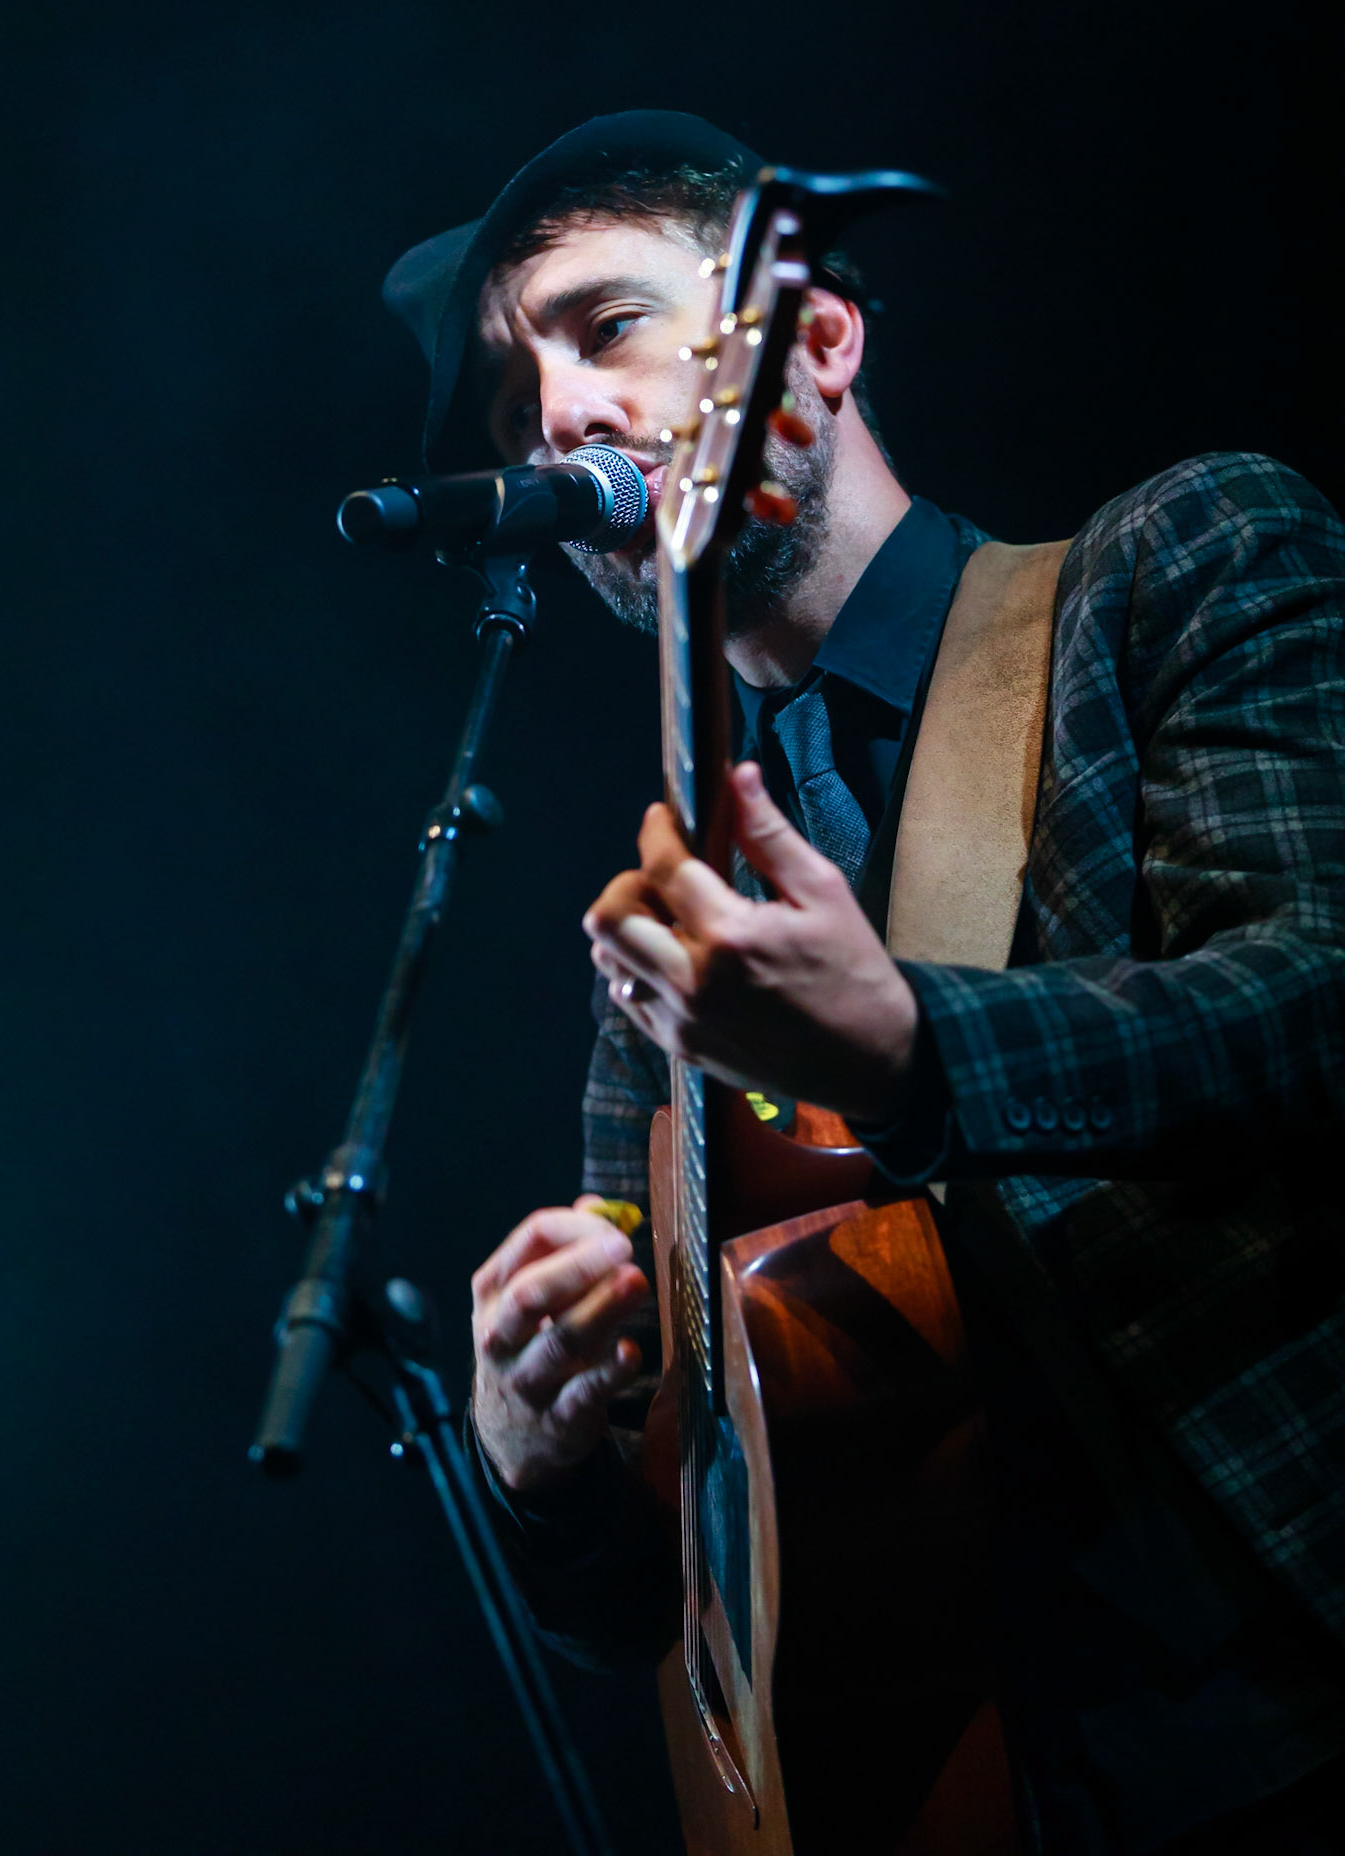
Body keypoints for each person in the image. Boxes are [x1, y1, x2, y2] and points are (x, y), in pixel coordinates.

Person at [382, 112, 1345, 1853]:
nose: (562, 425)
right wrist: (544, 1465)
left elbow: (1311, 1004)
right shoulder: (671, 951)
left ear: (816, 340)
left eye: (605, 329)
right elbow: (673, 1582)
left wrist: (910, 1048)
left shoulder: (1172, 566)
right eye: (521, 407)